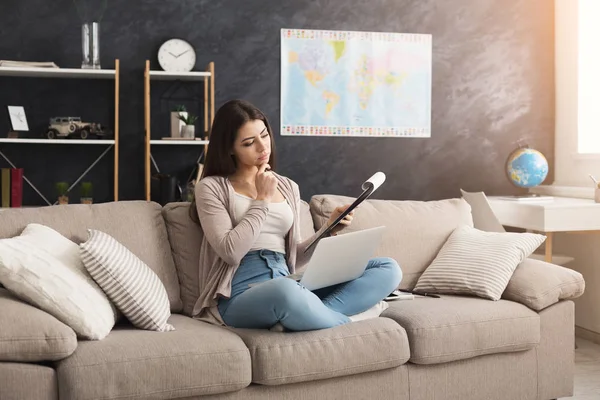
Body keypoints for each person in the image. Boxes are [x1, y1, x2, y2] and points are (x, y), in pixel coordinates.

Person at [189, 99, 402, 332]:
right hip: (240, 294)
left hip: (290, 282)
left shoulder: (288, 186)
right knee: (286, 292)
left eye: (264, 135)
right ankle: (348, 320)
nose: (263, 148)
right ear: (229, 148)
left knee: (387, 268)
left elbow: (293, 258)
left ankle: (307, 314)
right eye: (249, 143)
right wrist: (261, 199)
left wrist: (327, 229)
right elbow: (230, 252)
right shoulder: (211, 188)